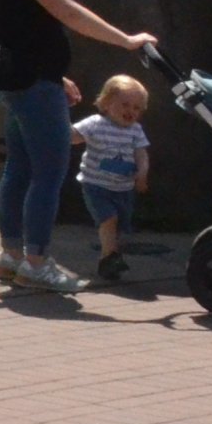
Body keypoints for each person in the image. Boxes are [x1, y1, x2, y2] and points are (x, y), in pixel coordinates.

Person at [0, 0, 156, 294]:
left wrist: (55, 75)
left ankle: (11, 256)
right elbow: (69, 13)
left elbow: (24, 32)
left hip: (25, 80)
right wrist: (126, 40)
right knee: (48, 172)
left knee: (20, 168)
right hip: (32, 87)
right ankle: (37, 262)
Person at [73, 75, 151, 283]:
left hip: (123, 188)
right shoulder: (96, 124)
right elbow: (72, 136)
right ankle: (110, 257)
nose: (130, 111)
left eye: (136, 108)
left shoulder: (135, 131)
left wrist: (142, 174)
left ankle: (108, 258)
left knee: (118, 226)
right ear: (107, 103)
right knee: (109, 219)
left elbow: (141, 154)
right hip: (96, 185)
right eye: (125, 105)